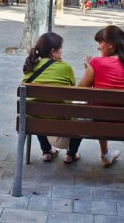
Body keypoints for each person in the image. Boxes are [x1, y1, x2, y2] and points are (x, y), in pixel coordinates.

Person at [79, 25, 124, 167]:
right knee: (103, 105)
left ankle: (103, 153)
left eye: (100, 43)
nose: (98, 48)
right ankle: (107, 154)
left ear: (110, 45)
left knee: (98, 106)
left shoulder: (95, 62)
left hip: (100, 119)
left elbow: (80, 91)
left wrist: (88, 70)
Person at [22, 33, 82, 163]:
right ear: (53, 51)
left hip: (35, 123)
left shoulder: (29, 67)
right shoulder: (65, 67)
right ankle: (71, 154)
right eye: (60, 48)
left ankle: (46, 151)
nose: (62, 51)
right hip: (62, 121)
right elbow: (73, 91)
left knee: (38, 110)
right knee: (81, 115)